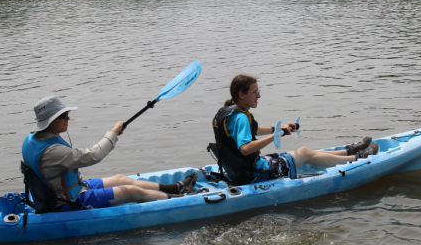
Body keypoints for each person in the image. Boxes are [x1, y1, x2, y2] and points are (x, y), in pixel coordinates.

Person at [22, 95, 196, 212]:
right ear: (50, 121)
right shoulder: (53, 152)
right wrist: (112, 133)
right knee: (131, 191)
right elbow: (93, 155)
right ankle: (179, 200)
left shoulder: (32, 139)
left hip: (71, 189)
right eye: (63, 115)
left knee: (121, 178)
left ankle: (177, 188)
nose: (68, 117)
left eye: (66, 113)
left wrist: (113, 133)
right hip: (70, 201)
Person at [212, 75, 379, 184]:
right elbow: (246, 149)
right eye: (255, 92)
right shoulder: (241, 117)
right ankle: (358, 158)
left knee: (305, 151)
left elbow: (252, 131)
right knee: (305, 153)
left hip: (242, 171)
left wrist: (279, 128)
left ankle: (351, 151)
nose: (259, 96)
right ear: (242, 95)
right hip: (255, 174)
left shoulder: (229, 114)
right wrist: (275, 135)